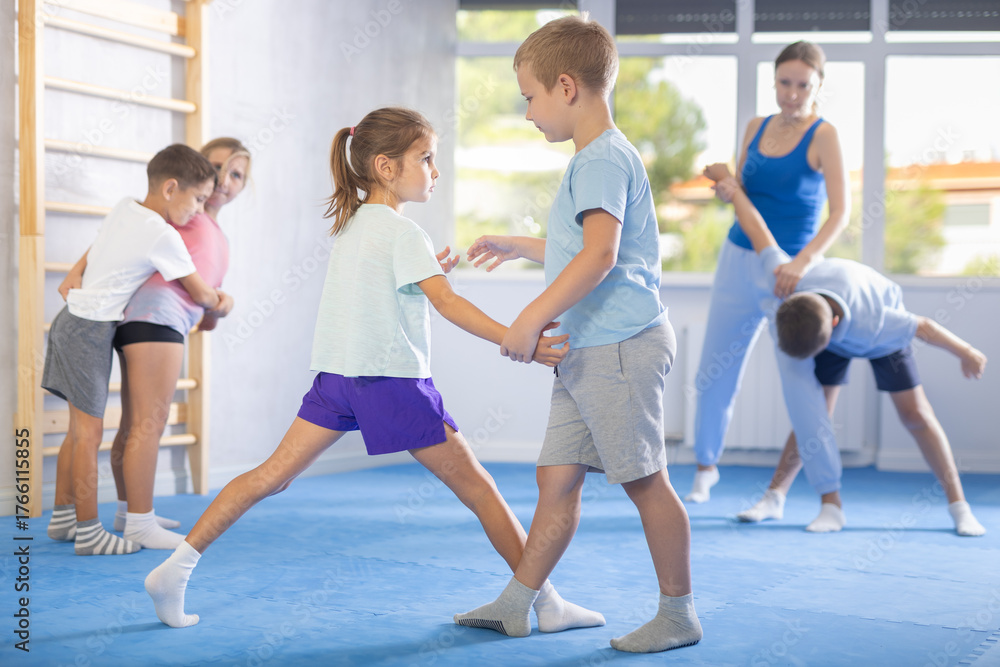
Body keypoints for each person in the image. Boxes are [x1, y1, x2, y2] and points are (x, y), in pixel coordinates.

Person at [144, 108, 605, 632]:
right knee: (481, 490)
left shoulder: (355, 224)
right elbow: (448, 305)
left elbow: (381, 292)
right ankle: (546, 604)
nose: (435, 170)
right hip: (391, 383)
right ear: (386, 167)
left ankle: (175, 568)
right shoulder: (404, 232)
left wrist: (425, 271)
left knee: (268, 478)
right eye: (426, 158)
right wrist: (515, 340)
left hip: (336, 380)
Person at [454, 16, 702, 654]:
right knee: (556, 481)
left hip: (620, 348)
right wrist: (520, 244)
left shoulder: (600, 160)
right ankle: (517, 603)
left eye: (530, 97)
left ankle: (678, 614)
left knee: (645, 480)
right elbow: (578, 246)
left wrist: (529, 317)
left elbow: (600, 257)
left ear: (566, 87)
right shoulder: (597, 159)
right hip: (589, 352)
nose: (529, 112)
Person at [703, 163, 987, 536]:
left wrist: (966, 351)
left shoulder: (880, 323)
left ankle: (959, 506)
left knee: (916, 415)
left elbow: (925, 327)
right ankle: (777, 497)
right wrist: (730, 186)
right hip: (821, 320)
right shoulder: (789, 283)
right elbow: (758, 230)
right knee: (813, 414)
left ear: (833, 329)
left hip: (877, 333)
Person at [685, 41, 848, 504]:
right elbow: (743, 195)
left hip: (789, 272)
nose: (791, 94)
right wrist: (726, 190)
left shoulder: (824, 135)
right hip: (738, 259)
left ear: (818, 86)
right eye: (784, 83)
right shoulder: (755, 126)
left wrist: (802, 263)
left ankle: (827, 492)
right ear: (773, 81)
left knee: (798, 379)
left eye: (802, 85)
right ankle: (705, 468)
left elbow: (840, 214)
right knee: (715, 370)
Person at [44, 144, 223, 555]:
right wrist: (223, 301)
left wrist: (76, 269)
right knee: (90, 434)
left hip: (70, 322)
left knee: (78, 432)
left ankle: (64, 518)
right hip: (90, 330)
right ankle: (90, 533)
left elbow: (97, 247)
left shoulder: (127, 207)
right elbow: (198, 292)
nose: (198, 211)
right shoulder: (163, 234)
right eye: (197, 199)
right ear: (171, 188)